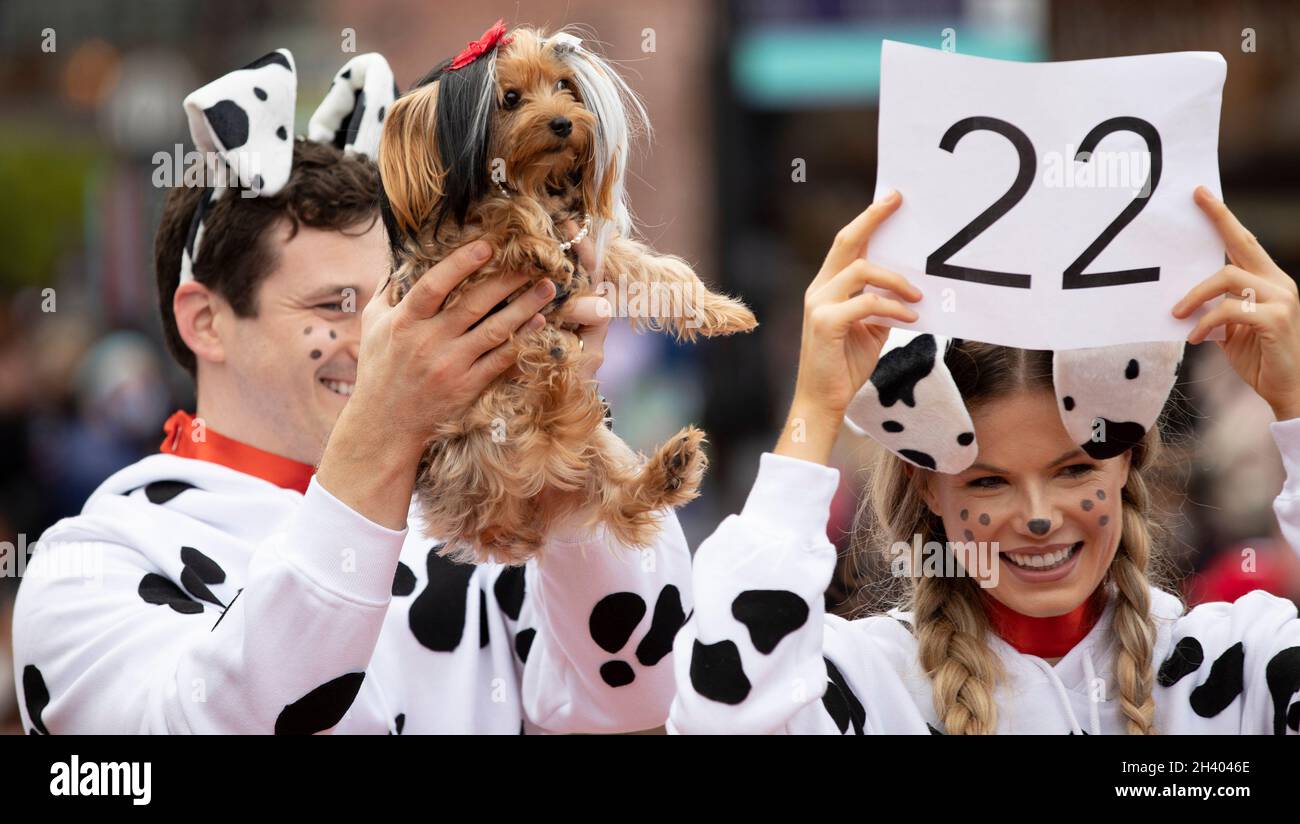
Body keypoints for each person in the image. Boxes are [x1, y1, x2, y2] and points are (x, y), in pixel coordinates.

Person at [12, 50, 691, 734]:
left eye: (394, 297)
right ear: (205, 321)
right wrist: (387, 425)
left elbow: (641, 693)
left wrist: (559, 419)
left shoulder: (464, 518)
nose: (381, 335)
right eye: (334, 304)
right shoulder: (95, 559)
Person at [669, 187, 1300, 734]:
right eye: (989, 482)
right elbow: (720, 713)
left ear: (1126, 460)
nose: (1037, 517)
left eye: (1074, 469)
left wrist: (1294, 401)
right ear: (928, 489)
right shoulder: (862, 682)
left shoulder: (1238, 666)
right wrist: (816, 406)